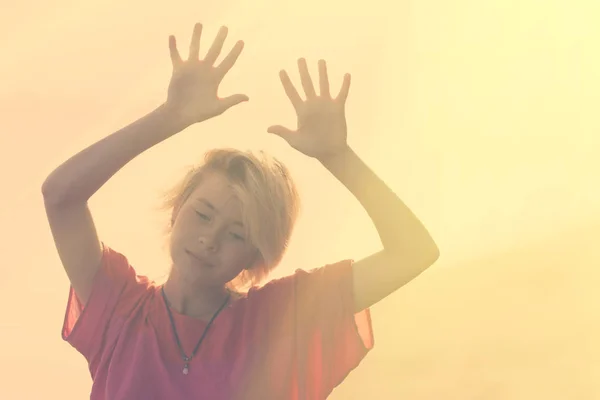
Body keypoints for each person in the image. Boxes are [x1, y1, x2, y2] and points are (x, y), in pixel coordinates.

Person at [42, 22, 440, 400]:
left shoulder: (281, 318)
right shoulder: (119, 307)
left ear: (258, 254)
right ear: (177, 209)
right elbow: (60, 195)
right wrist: (169, 117)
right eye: (202, 214)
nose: (210, 239)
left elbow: (413, 252)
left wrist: (339, 157)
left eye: (237, 234)